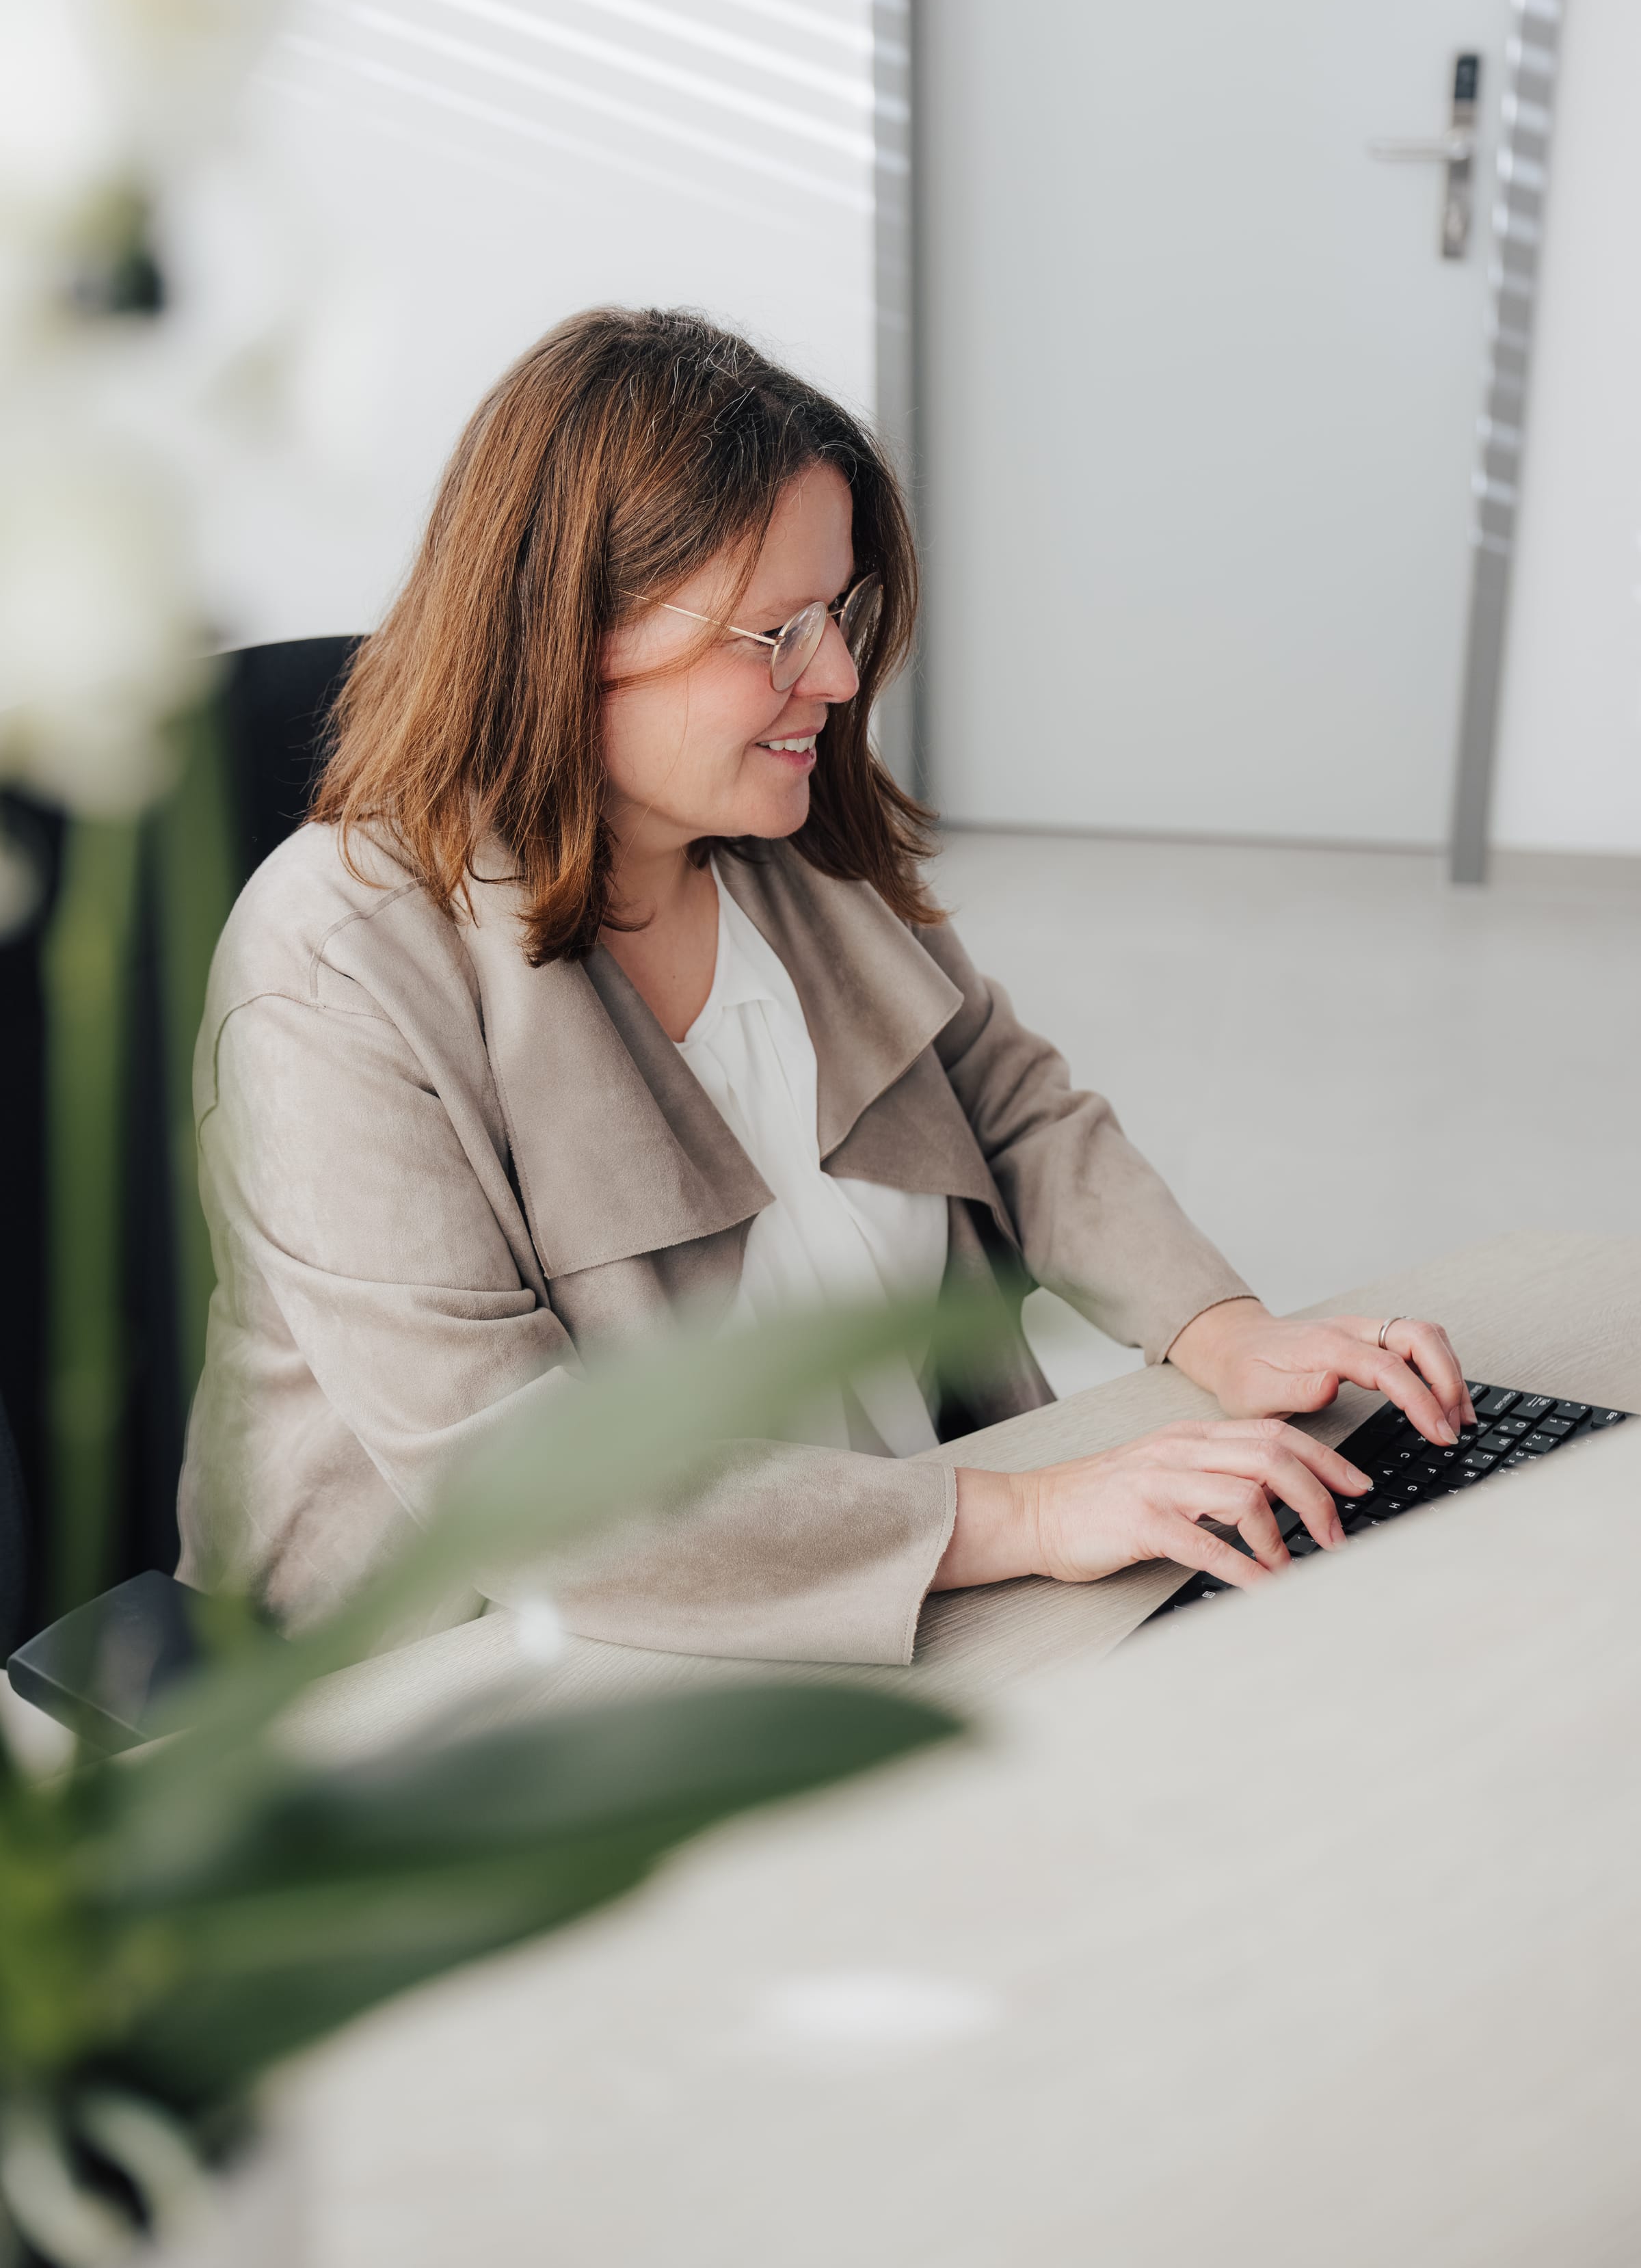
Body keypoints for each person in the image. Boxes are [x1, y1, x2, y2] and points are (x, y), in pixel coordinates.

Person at [178, 308, 1473, 1660]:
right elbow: (521, 1492)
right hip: (479, 1682)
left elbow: (1012, 1107)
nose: (842, 678)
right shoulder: (337, 969)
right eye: (776, 633)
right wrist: (1024, 1516)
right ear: (570, 631)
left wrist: (1229, 1332)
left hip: (898, 1586)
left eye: (838, 613)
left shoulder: (782, 843)